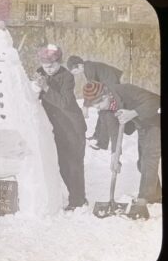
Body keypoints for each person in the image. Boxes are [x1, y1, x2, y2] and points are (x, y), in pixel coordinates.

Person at [82, 81, 161, 219]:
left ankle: (142, 201)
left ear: (106, 95)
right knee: (141, 164)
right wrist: (115, 156)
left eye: (99, 104)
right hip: (142, 127)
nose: (99, 108)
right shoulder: (105, 111)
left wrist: (133, 113)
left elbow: (156, 100)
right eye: (95, 107)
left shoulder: (125, 89)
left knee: (149, 160)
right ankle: (155, 196)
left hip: (154, 123)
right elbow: (114, 133)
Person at [31, 44, 88, 211]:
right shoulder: (40, 73)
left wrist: (46, 87)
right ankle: (75, 197)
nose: (48, 69)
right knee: (63, 165)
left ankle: (78, 201)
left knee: (74, 165)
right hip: (56, 128)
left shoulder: (67, 77)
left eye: (52, 65)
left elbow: (64, 102)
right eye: (45, 66)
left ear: (60, 62)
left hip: (72, 127)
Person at [67, 55, 124, 151]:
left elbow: (91, 87)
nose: (77, 74)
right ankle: (98, 138)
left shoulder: (89, 68)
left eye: (76, 71)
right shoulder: (89, 67)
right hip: (110, 86)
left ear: (80, 66)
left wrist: (85, 106)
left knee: (104, 114)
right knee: (103, 113)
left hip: (113, 88)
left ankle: (101, 142)